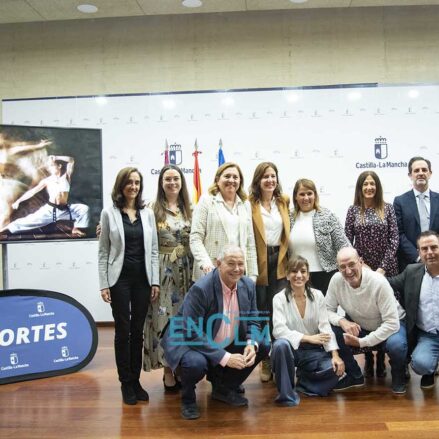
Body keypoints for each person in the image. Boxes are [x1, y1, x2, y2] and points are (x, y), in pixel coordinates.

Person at [161, 244, 269, 420]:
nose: (237, 269)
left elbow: (254, 319)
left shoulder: (248, 285)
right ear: (218, 264)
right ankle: (188, 399)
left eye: (241, 264)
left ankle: (223, 388)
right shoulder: (201, 288)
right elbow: (192, 332)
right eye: (231, 263)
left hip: (220, 336)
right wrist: (226, 358)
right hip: (190, 339)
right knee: (195, 363)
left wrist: (251, 343)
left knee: (262, 344)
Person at [98, 167, 160, 405]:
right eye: (129, 182)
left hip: (143, 280)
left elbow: (153, 250)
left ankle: (136, 381)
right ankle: (125, 383)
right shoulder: (109, 213)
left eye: (137, 183)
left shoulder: (147, 213)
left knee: (138, 331)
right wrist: (104, 283)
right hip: (119, 280)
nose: (133, 187)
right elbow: (103, 251)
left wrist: (154, 280)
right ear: (121, 185)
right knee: (123, 331)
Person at [326, 247, 407, 394]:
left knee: (397, 345)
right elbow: (326, 311)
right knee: (331, 330)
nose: (348, 271)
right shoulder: (336, 280)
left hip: (391, 325)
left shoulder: (379, 282)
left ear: (361, 262)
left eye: (351, 264)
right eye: (342, 267)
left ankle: (399, 375)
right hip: (362, 324)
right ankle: (355, 376)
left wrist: (362, 342)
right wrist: (342, 321)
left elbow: (392, 323)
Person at [143, 164, 193, 391]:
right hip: (164, 271)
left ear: (181, 182)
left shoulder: (190, 208)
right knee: (164, 320)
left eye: (176, 179)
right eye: (167, 179)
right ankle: (167, 370)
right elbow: (131, 228)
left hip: (187, 271)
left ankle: (182, 365)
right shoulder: (151, 209)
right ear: (161, 183)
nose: (172, 183)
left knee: (184, 321)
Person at [345, 171, 399, 377]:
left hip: (387, 270)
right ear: (360, 187)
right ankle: (368, 357)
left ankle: (386, 357)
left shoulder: (388, 208)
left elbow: (394, 240)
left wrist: (382, 269)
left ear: (377, 186)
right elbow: (347, 242)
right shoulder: (353, 211)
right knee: (364, 311)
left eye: (372, 183)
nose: (369, 187)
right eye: (365, 184)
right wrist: (362, 267)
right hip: (362, 271)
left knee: (384, 313)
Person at [271, 256, 344, 406]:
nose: (298, 275)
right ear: (287, 275)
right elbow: (278, 330)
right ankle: (287, 394)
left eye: (303, 271)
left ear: (308, 275)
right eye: (294, 271)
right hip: (290, 350)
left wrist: (335, 355)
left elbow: (325, 327)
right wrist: (308, 338)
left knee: (335, 370)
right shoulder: (278, 298)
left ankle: (303, 382)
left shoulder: (317, 296)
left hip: (312, 352)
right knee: (280, 345)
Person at [249, 162, 290, 382]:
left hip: (280, 261)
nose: (270, 180)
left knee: (279, 311)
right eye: (265, 177)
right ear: (258, 181)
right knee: (262, 311)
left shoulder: (283, 202)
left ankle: (280, 357)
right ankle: (265, 359)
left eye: (273, 176)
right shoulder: (250, 204)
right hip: (259, 261)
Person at [388, 231, 439, 389]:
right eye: (424, 249)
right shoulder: (411, 272)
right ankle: (430, 369)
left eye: (434, 247)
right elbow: (387, 283)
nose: (429, 252)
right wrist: (364, 273)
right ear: (419, 252)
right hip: (428, 335)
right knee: (420, 364)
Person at [190, 162, 257, 281]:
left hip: (238, 273)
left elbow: (250, 242)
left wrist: (252, 275)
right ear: (217, 180)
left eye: (235, 177)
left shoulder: (245, 204)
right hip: (210, 272)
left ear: (240, 181)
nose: (231, 180)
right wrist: (206, 264)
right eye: (227, 176)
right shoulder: (206, 201)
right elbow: (196, 238)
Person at [1, 154, 89, 237]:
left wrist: (56, 157)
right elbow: (32, 192)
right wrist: (18, 201)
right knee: (26, 221)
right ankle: (3, 230)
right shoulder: (47, 181)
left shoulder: (66, 176)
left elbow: (71, 160)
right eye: (49, 167)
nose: (50, 169)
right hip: (50, 210)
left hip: (64, 210)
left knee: (84, 209)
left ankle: (76, 228)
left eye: (52, 166)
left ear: (59, 166)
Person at [289, 178, 349, 295]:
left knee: (324, 311)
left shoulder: (327, 216)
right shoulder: (288, 217)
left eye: (309, 193)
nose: (306, 198)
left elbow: (343, 244)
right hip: (297, 276)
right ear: (295, 197)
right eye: (302, 194)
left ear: (315, 195)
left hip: (324, 275)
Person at [393, 156, 439, 270]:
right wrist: (418, 256)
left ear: (430, 173)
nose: (421, 173)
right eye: (416, 170)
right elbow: (399, 234)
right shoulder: (400, 201)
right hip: (410, 264)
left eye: (424, 170)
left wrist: (434, 253)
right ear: (410, 175)